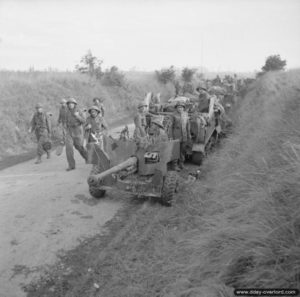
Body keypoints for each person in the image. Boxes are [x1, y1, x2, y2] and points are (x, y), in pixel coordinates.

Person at [65, 98, 87, 171]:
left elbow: (84, 121)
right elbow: (65, 122)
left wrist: (77, 116)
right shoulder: (66, 112)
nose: (70, 105)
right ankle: (71, 165)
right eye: (69, 103)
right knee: (69, 148)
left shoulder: (79, 111)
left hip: (77, 130)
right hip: (69, 131)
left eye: (72, 103)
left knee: (79, 147)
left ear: (74, 104)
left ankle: (87, 157)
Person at [169, 101, 191, 170]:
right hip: (176, 136)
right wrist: (171, 136)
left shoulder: (185, 114)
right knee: (175, 150)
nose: (180, 108)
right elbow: (170, 127)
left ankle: (181, 164)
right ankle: (174, 165)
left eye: (181, 107)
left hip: (184, 136)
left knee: (182, 150)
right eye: (178, 107)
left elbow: (188, 125)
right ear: (176, 108)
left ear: (183, 108)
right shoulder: (173, 115)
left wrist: (188, 135)